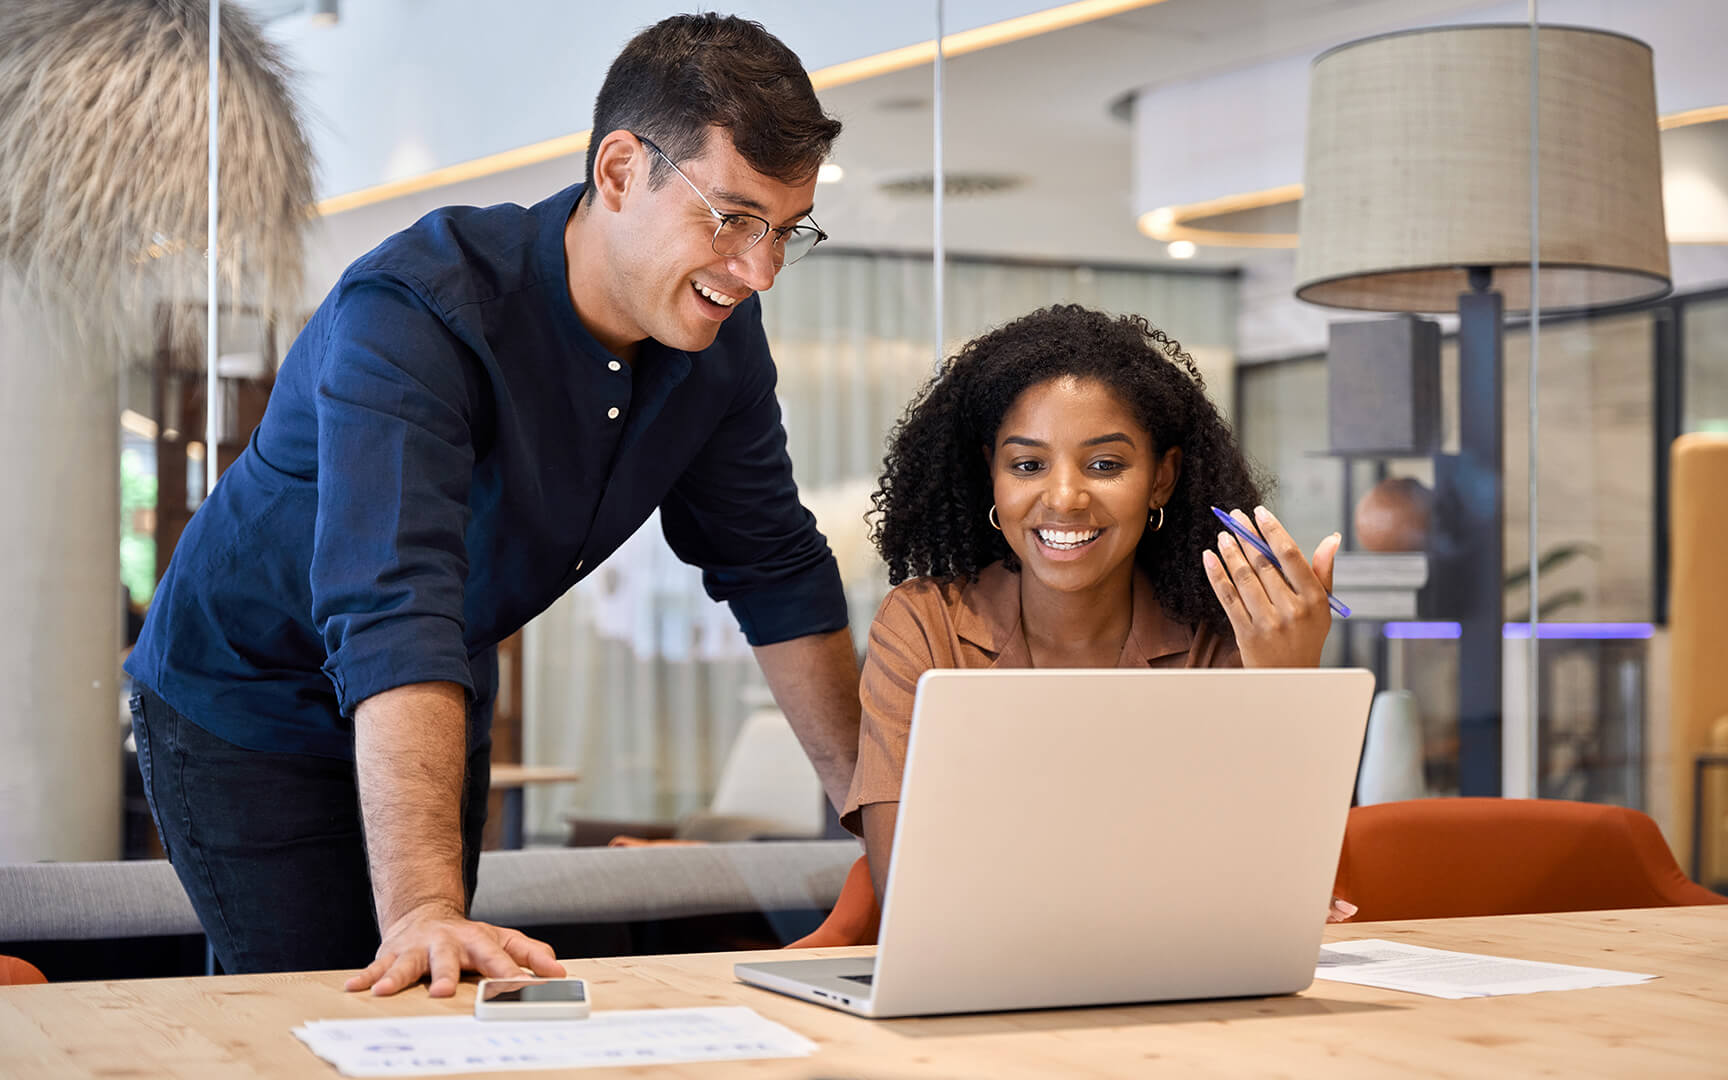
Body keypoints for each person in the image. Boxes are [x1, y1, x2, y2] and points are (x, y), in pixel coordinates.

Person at [123, 14, 863, 995]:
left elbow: (774, 567)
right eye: (731, 219)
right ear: (617, 172)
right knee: (333, 997)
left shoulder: (718, 342)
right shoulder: (417, 312)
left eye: (784, 230)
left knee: (439, 993)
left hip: (438, 685)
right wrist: (425, 908)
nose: (758, 269)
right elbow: (396, 605)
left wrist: (883, 826)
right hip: (249, 693)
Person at [836, 304, 1352, 924]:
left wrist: (1289, 685)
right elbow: (911, 900)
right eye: (1027, 465)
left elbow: (1276, 894)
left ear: (1162, 479)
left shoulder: (1217, 635)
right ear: (991, 477)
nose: (1064, 498)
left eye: (1106, 465)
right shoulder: (924, 624)